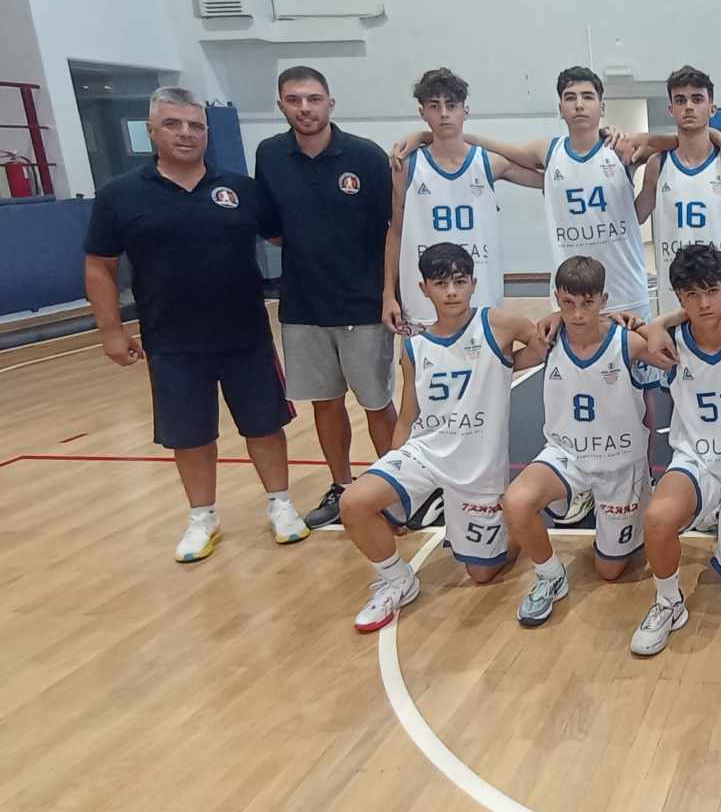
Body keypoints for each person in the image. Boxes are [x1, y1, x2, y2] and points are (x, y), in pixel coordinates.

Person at [83, 86, 307, 561]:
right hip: (171, 340)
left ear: (207, 133)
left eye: (195, 126)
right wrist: (111, 329)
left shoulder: (242, 190)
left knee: (266, 425)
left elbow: (289, 237)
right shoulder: (120, 195)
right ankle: (202, 517)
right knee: (190, 434)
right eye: (173, 124)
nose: (186, 133)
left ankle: (281, 504)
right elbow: (99, 264)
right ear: (151, 131)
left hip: (246, 333)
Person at [340, 243, 542, 632]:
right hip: (426, 453)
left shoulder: (500, 324)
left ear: (473, 284)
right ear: (424, 288)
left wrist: (508, 364)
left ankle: (509, 519)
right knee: (354, 503)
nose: (451, 292)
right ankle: (396, 580)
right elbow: (407, 416)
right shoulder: (415, 347)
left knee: (482, 575)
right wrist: (392, 471)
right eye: (441, 283)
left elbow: (545, 342)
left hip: (477, 466)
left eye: (460, 282)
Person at [254, 65, 398, 531]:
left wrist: (388, 293)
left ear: (330, 103)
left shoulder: (365, 156)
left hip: (363, 304)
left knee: (377, 403)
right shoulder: (270, 155)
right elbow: (272, 230)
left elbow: (392, 230)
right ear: (281, 105)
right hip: (303, 307)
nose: (304, 108)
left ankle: (395, 488)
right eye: (294, 100)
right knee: (326, 404)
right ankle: (341, 485)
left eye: (313, 99)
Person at [627, 243, 721, 656]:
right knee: (658, 517)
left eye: (712, 291)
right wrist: (654, 324)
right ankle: (668, 603)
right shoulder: (667, 343)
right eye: (692, 295)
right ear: (679, 297)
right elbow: (604, 331)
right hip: (698, 460)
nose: (704, 303)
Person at [501, 255, 661, 627]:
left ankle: (628, 501)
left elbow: (678, 357)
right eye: (568, 303)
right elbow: (501, 362)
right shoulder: (548, 341)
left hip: (619, 463)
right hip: (566, 455)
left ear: (603, 300)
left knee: (610, 570)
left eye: (587, 303)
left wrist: (645, 324)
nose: (576, 313)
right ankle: (550, 575)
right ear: (556, 298)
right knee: (516, 502)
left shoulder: (628, 342)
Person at [385, 68, 544, 332]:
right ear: (422, 113)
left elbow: (551, 175)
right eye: (434, 106)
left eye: (451, 105)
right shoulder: (406, 166)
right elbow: (396, 232)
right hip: (424, 306)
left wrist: (432, 136)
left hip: (480, 299)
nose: (444, 113)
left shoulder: (490, 163)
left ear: (465, 111)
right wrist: (389, 295)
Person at [636, 65, 721, 316]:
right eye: (680, 100)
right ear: (671, 110)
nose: (689, 107)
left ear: (712, 108)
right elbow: (633, 218)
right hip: (676, 297)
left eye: (697, 99)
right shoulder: (657, 165)